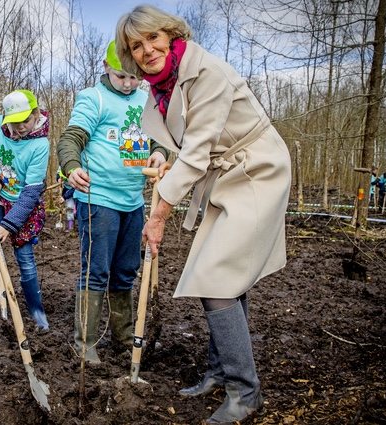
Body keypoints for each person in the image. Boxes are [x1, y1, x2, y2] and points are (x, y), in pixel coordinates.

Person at [116, 6, 291, 423]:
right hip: (225, 174)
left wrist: (157, 214)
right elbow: (182, 140)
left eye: (152, 38)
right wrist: (160, 155)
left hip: (255, 171)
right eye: (136, 46)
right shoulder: (163, 87)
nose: (147, 50)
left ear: (171, 34)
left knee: (216, 279)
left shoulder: (206, 71)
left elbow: (196, 154)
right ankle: (219, 371)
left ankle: (245, 393)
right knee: (224, 275)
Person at [57, 40, 167, 365]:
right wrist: (72, 167)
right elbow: (71, 138)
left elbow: (159, 138)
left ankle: (123, 339)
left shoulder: (146, 100)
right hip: (98, 197)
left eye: (135, 77)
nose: (129, 83)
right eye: (122, 76)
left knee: (125, 272)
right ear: (106, 68)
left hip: (133, 201)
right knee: (96, 271)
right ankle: (85, 343)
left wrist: (159, 153)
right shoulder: (94, 99)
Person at [0, 89, 51, 331]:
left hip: (22, 205)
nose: (20, 126)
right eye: (14, 122)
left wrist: (9, 225)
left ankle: (36, 310)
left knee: (25, 258)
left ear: (35, 115)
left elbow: (31, 191)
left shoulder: (40, 144)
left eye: (25, 120)